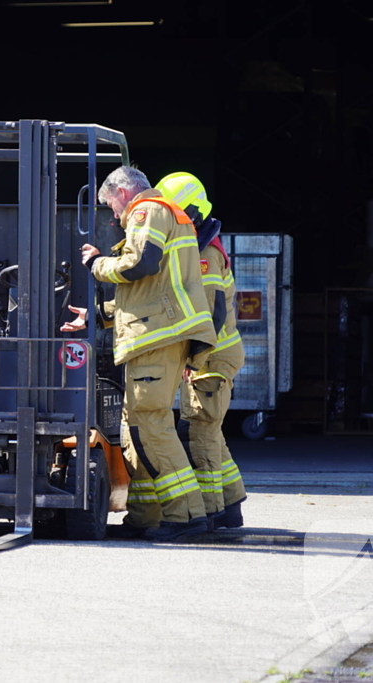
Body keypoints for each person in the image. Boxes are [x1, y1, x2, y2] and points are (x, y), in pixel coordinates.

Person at [61, 166, 217, 541]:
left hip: (157, 339)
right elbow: (150, 289)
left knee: (151, 424)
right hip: (157, 336)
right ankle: (145, 515)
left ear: (122, 192)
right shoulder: (165, 216)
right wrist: (97, 315)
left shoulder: (148, 210)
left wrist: (97, 264)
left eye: (111, 206)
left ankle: (186, 515)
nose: (114, 216)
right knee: (137, 428)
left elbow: (141, 263)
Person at [156, 172, 247, 528]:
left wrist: (194, 359)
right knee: (211, 430)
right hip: (215, 355)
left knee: (200, 433)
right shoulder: (201, 246)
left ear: (192, 213)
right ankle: (232, 505)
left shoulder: (205, 252)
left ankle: (211, 511)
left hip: (212, 357)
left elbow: (212, 312)